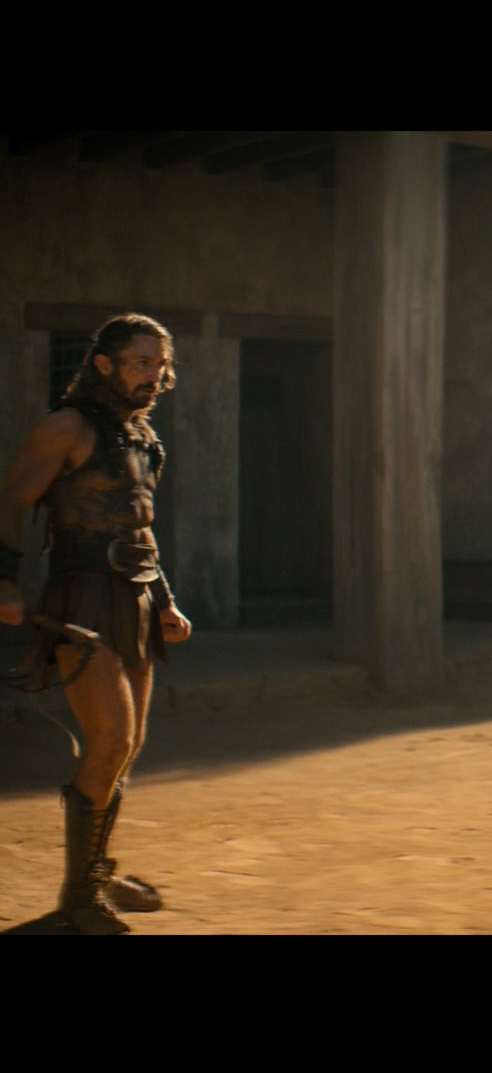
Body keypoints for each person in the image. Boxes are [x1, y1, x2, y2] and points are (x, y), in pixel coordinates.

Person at [0, 313, 193, 935]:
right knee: (109, 739)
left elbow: (137, 524)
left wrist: (163, 598)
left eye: (160, 364)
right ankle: (78, 899)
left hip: (133, 600)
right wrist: (4, 581)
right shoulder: (67, 427)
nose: (154, 375)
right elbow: (10, 500)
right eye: (141, 363)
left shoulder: (140, 437)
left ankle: (97, 871)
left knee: (125, 745)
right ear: (104, 364)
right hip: (80, 599)